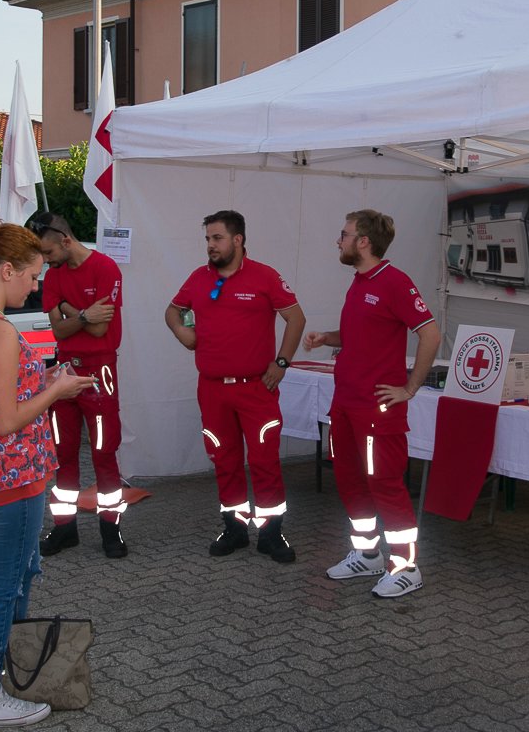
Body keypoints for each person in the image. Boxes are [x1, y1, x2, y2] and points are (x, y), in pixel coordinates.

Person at [0, 215, 97, 729]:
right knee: (2, 588)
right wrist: (56, 390)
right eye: (32, 275)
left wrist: (42, 379)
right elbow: (6, 420)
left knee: (17, 576)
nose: (37, 285)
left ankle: (6, 676)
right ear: (6, 269)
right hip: (13, 475)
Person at [304, 209, 441, 598]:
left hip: (376, 409)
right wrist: (325, 338)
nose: (339, 240)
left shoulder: (395, 282)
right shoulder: (359, 282)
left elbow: (429, 334)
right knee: (349, 480)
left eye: (344, 234)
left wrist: (410, 388)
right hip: (346, 403)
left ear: (364, 241)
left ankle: (406, 566)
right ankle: (367, 555)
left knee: (385, 484)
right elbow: (357, 336)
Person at [165, 210, 306, 562]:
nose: (210, 245)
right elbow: (173, 310)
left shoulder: (264, 276)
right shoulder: (199, 278)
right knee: (223, 459)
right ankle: (235, 529)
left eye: (217, 238)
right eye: (208, 239)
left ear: (238, 240)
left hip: (256, 389)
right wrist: (184, 332)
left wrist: (282, 363)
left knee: (264, 460)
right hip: (212, 389)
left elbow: (296, 318)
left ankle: (271, 534)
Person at [28, 211, 129, 559]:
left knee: (104, 451)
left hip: (100, 372)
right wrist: (84, 315)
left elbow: (100, 331)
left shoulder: (105, 269)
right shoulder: (53, 275)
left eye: (48, 252)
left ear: (66, 240)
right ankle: (64, 529)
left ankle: (110, 529)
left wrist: (69, 311)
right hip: (64, 372)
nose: (45, 261)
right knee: (62, 453)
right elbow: (58, 331)